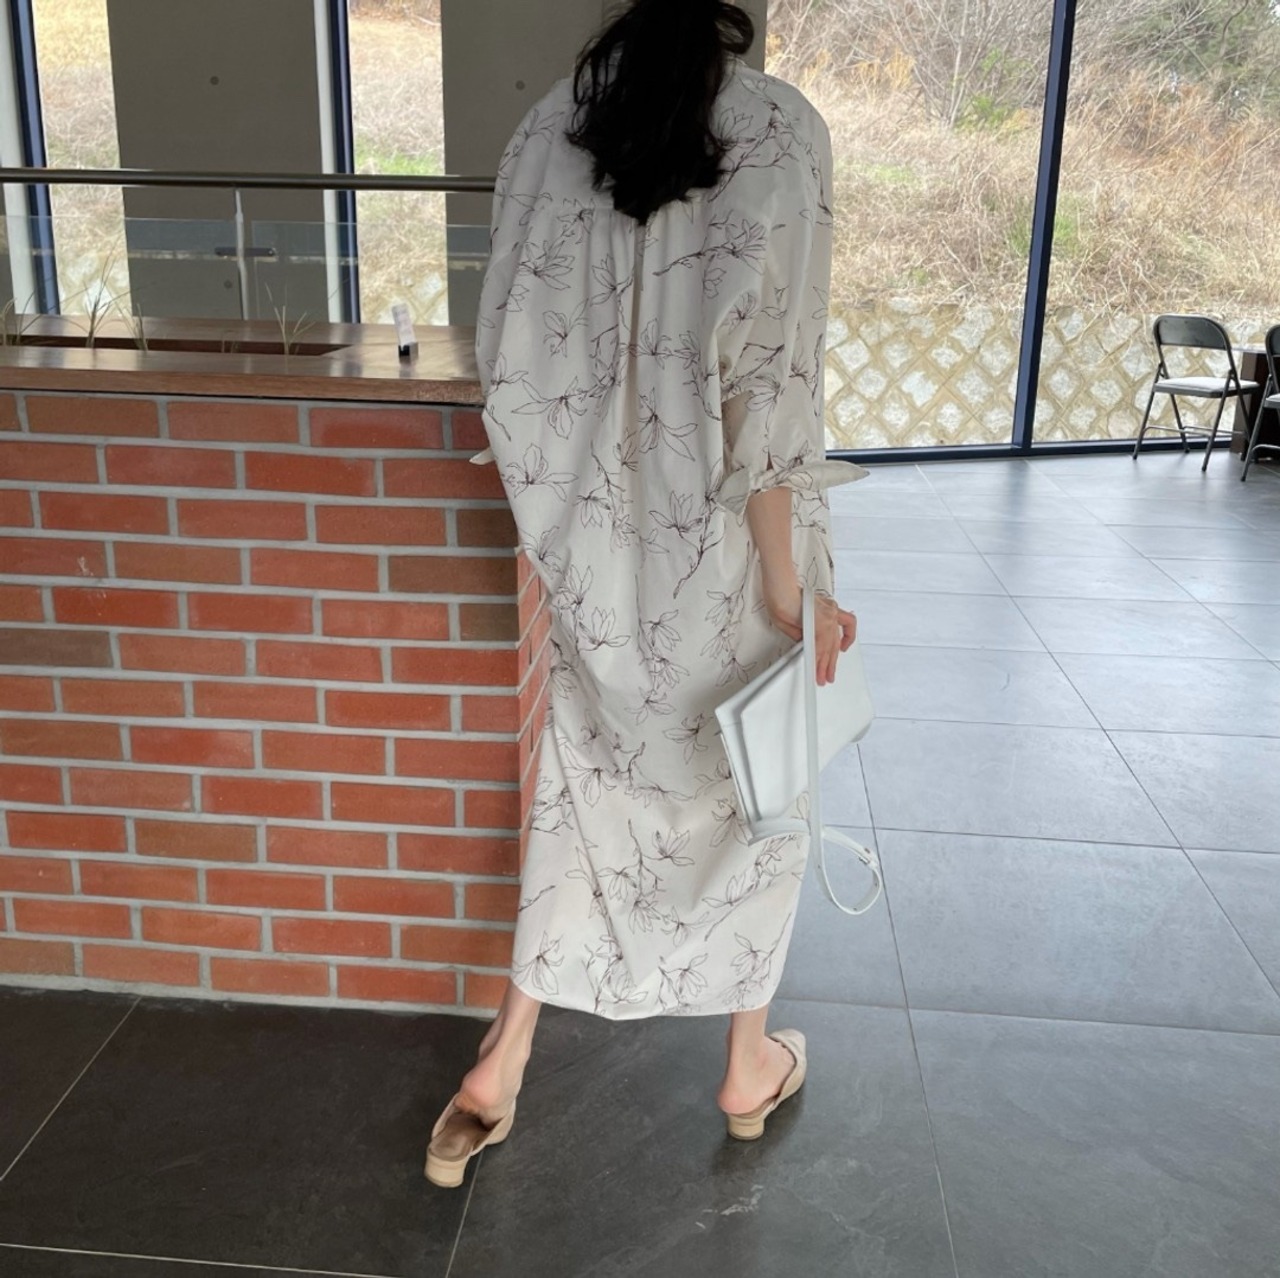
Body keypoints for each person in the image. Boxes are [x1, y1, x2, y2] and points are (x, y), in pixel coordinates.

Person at [426, 0, 866, 1189]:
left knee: (585, 784)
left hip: (593, 551)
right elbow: (767, 382)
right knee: (759, 785)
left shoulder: (548, 133)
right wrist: (789, 590)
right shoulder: (779, 131)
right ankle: (744, 1064)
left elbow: (506, 363)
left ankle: (500, 1066)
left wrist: (563, 532)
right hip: (729, 548)